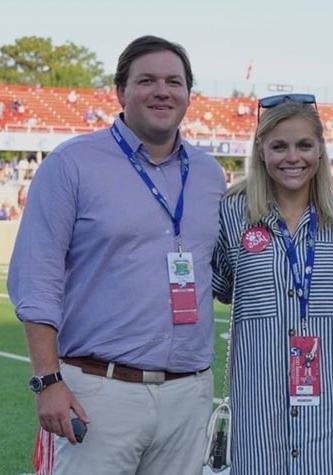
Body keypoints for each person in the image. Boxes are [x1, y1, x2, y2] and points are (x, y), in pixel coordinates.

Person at [9, 35, 225, 475]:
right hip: (99, 391)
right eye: (146, 80)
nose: (162, 91)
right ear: (120, 91)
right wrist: (47, 381)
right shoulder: (72, 164)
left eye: (174, 81)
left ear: (188, 94)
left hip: (189, 393)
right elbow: (37, 276)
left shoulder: (208, 174)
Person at [212, 95, 333, 473]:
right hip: (259, 406)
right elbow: (221, 288)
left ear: (320, 150)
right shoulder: (232, 213)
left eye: (304, 145)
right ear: (261, 150)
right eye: (279, 146)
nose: (292, 157)